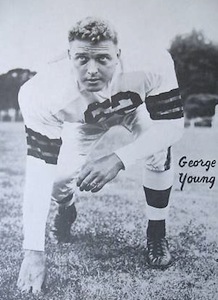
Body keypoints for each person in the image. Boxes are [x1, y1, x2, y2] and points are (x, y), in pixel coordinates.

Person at [17, 17, 184, 293]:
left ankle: (157, 231)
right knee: (58, 178)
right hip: (83, 123)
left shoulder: (151, 62)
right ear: (69, 55)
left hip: (134, 110)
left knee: (157, 150)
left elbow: (172, 128)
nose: (92, 70)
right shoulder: (43, 91)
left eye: (103, 59)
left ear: (118, 55)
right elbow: (38, 170)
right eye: (82, 59)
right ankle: (66, 206)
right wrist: (33, 251)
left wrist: (118, 159)